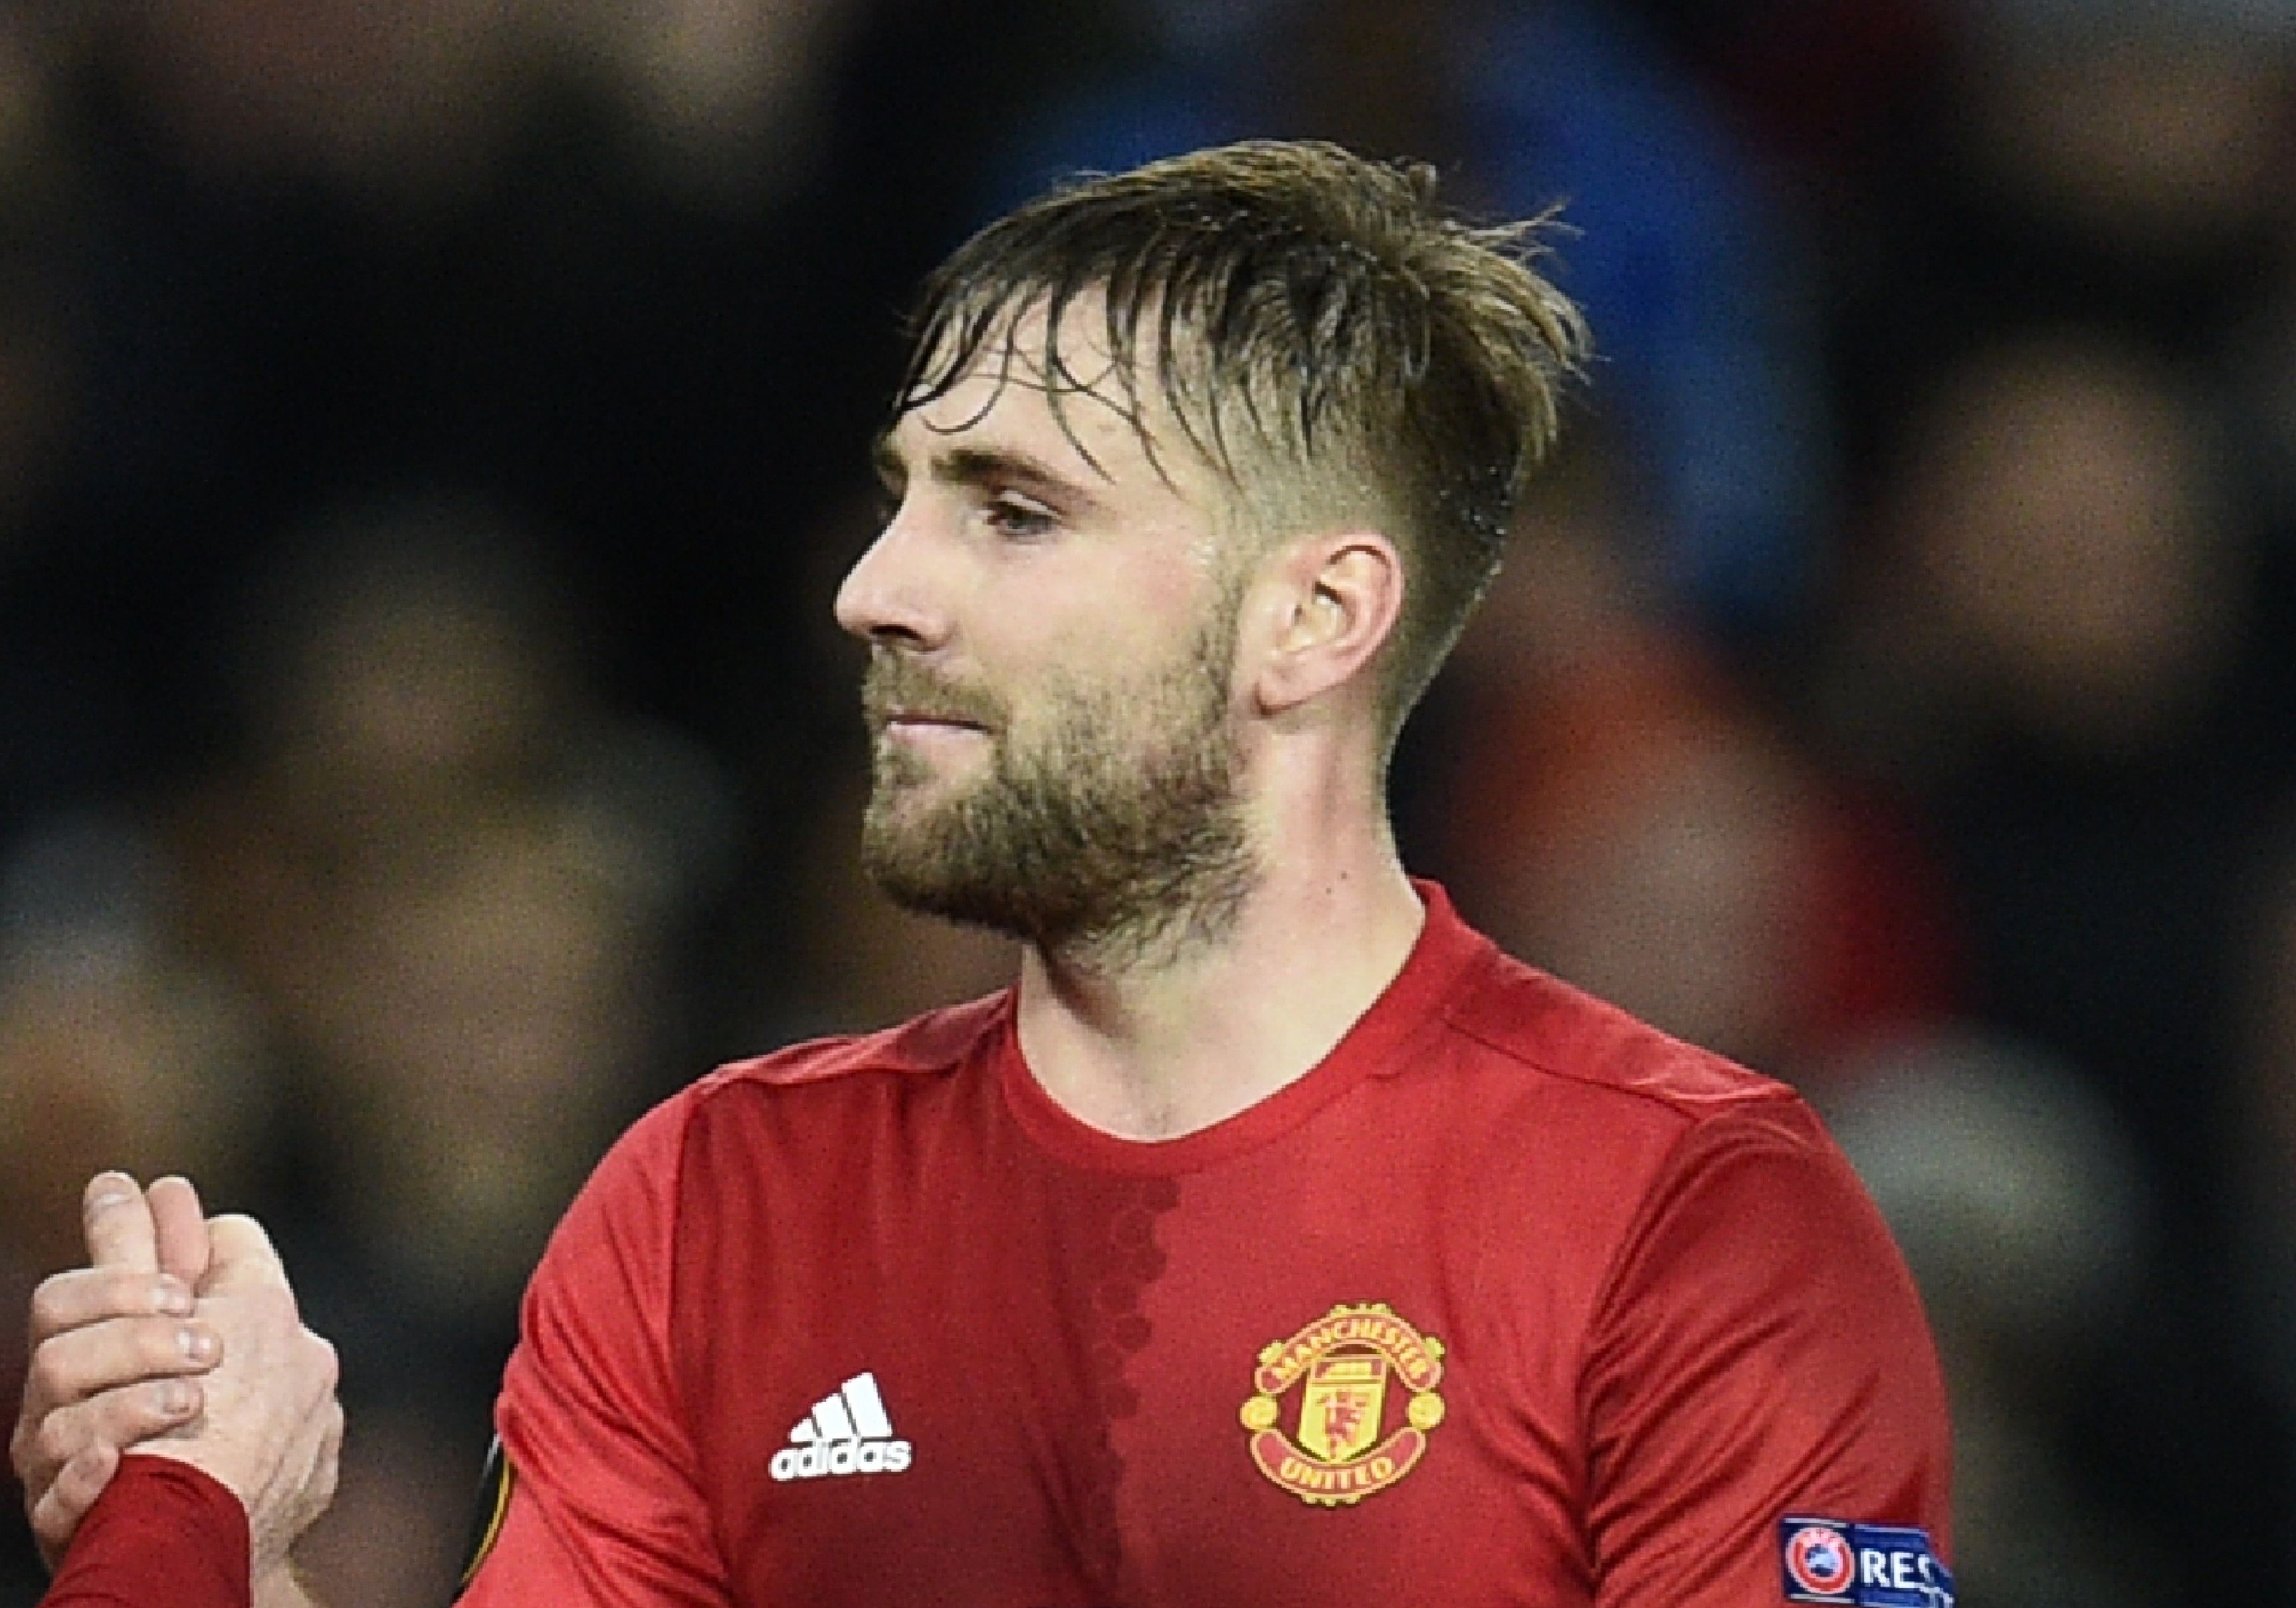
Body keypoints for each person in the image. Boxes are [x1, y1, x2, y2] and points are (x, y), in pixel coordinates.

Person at [15, 140, 1952, 1606]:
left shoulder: (1690, 1217)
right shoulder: (713, 1200)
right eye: (904, 493)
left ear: (1314, 619)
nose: (877, 590)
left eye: (1014, 510)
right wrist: (224, 1532)